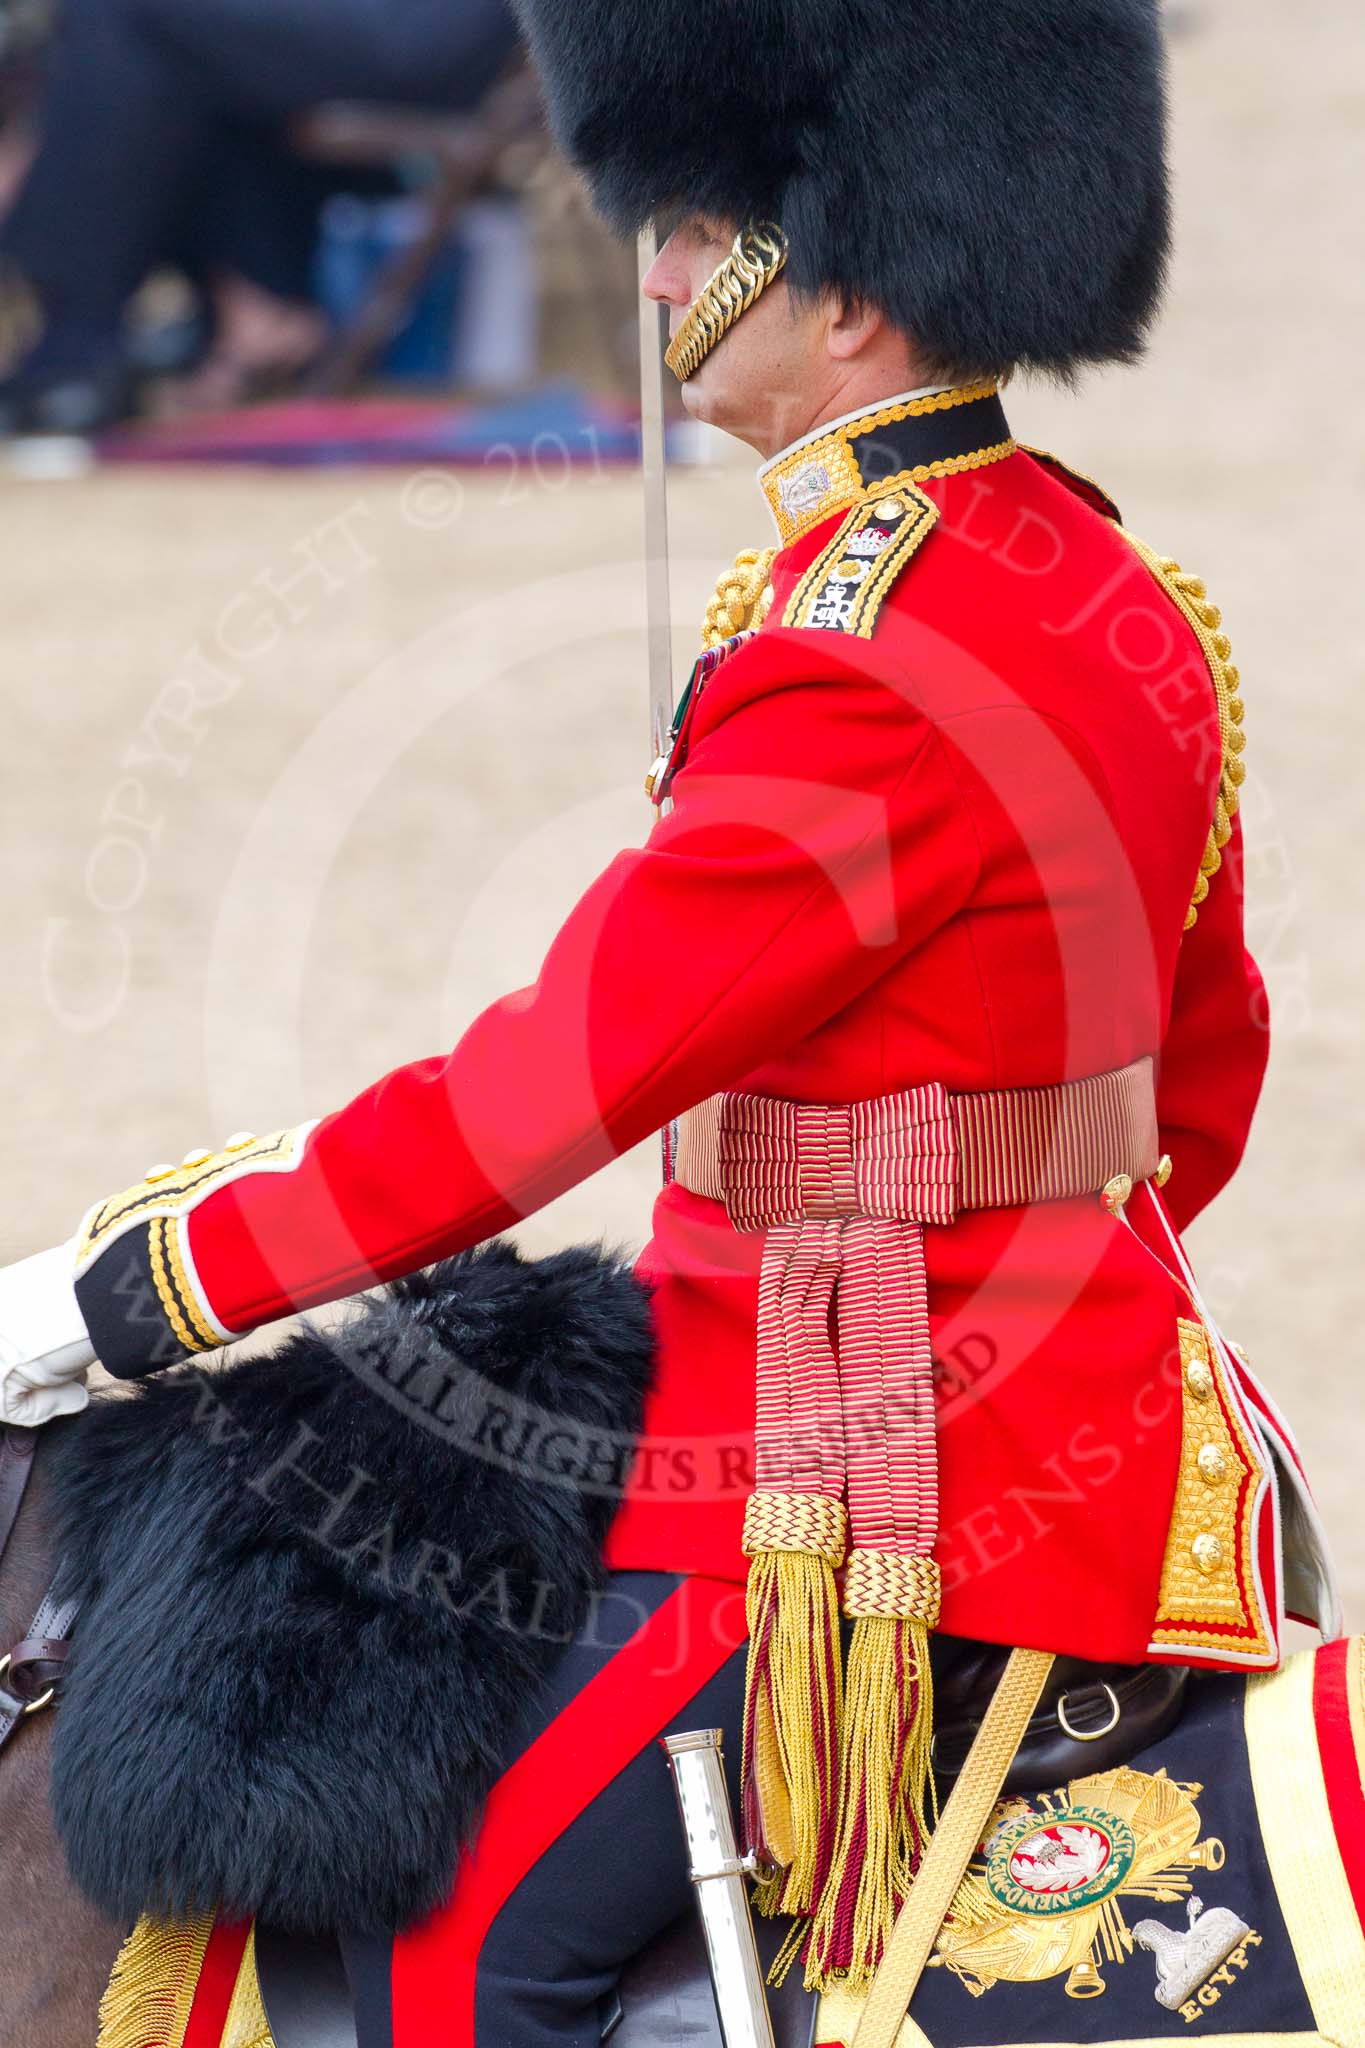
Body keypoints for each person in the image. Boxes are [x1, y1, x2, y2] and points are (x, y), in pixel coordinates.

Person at [0, 0, 1343, 2041]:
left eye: (698, 230)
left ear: (858, 281)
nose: (650, 272)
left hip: (849, 1473)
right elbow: (1198, 1079)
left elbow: (544, 1091)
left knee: (478, 1961)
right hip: (1108, 1415)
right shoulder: (1107, 582)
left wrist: (141, 1284)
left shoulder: (854, 660)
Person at [0, 0, 517, 431]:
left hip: (436, 23)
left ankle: (73, 351)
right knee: (156, 52)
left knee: (124, 13)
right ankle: (255, 299)